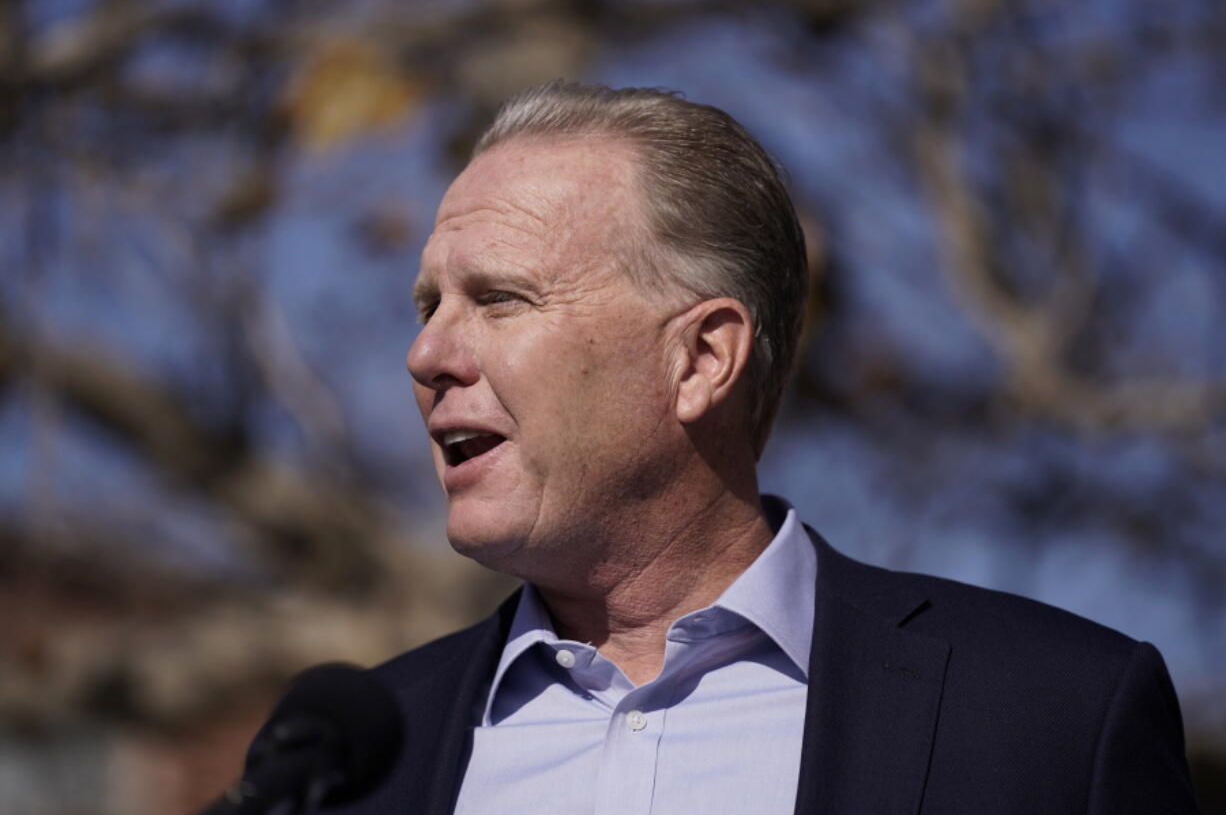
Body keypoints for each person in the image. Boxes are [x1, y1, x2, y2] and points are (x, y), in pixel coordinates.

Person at [333, 83, 1200, 814]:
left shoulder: (1054, 713)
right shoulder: (349, 762)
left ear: (702, 358)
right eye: (428, 306)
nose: (427, 355)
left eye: (500, 299)